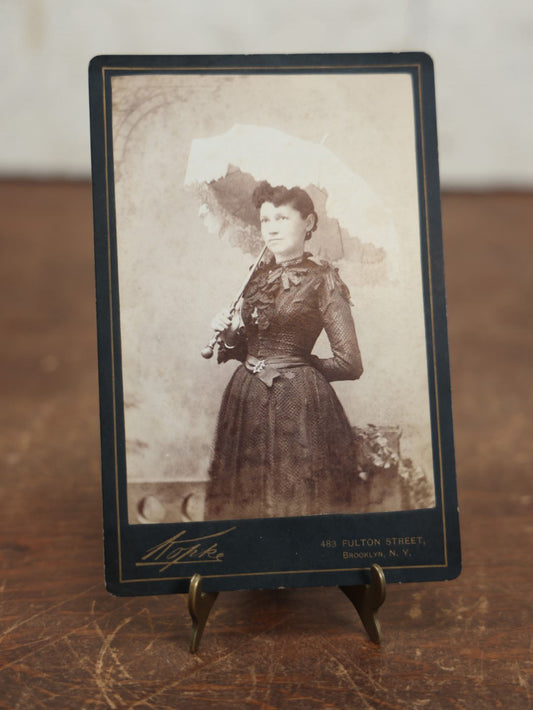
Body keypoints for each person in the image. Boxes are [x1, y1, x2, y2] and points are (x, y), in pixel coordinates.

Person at [204, 181, 363, 520]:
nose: (271, 228)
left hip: (298, 406)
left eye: (281, 218)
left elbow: (350, 363)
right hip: (245, 400)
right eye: (265, 220)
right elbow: (244, 346)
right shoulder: (256, 276)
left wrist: (297, 369)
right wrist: (231, 333)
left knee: (293, 498)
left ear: (308, 223)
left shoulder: (324, 280)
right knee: (245, 498)